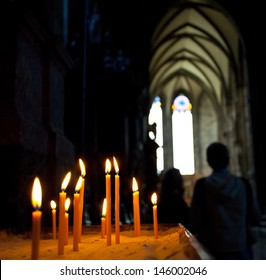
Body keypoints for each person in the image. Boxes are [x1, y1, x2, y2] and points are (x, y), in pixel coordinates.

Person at [189, 142, 261, 260]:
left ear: (208, 161)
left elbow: (195, 222)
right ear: (228, 160)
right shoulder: (243, 184)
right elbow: (255, 217)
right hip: (241, 249)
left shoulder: (202, 186)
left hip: (213, 250)